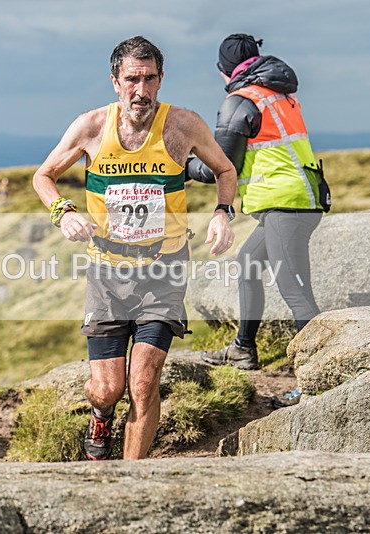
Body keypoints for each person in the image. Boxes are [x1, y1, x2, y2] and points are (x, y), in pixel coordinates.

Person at [33, 36, 237, 461]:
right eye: (131, 79)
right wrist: (64, 212)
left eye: (149, 79)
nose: (140, 90)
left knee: (143, 382)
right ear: (115, 82)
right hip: (107, 274)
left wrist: (222, 212)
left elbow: (225, 169)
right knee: (108, 388)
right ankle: (100, 414)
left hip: (163, 271)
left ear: (161, 81)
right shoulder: (91, 126)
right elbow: (43, 176)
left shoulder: (184, 125)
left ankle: (130, 480)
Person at [188, 34, 329, 386]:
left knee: (297, 294)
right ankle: (243, 349)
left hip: (286, 207)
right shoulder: (279, 94)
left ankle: (316, 383)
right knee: (248, 263)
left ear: (224, 70)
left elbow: (221, 167)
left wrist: (184, 168)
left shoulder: (240, 102)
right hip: (298, 199)